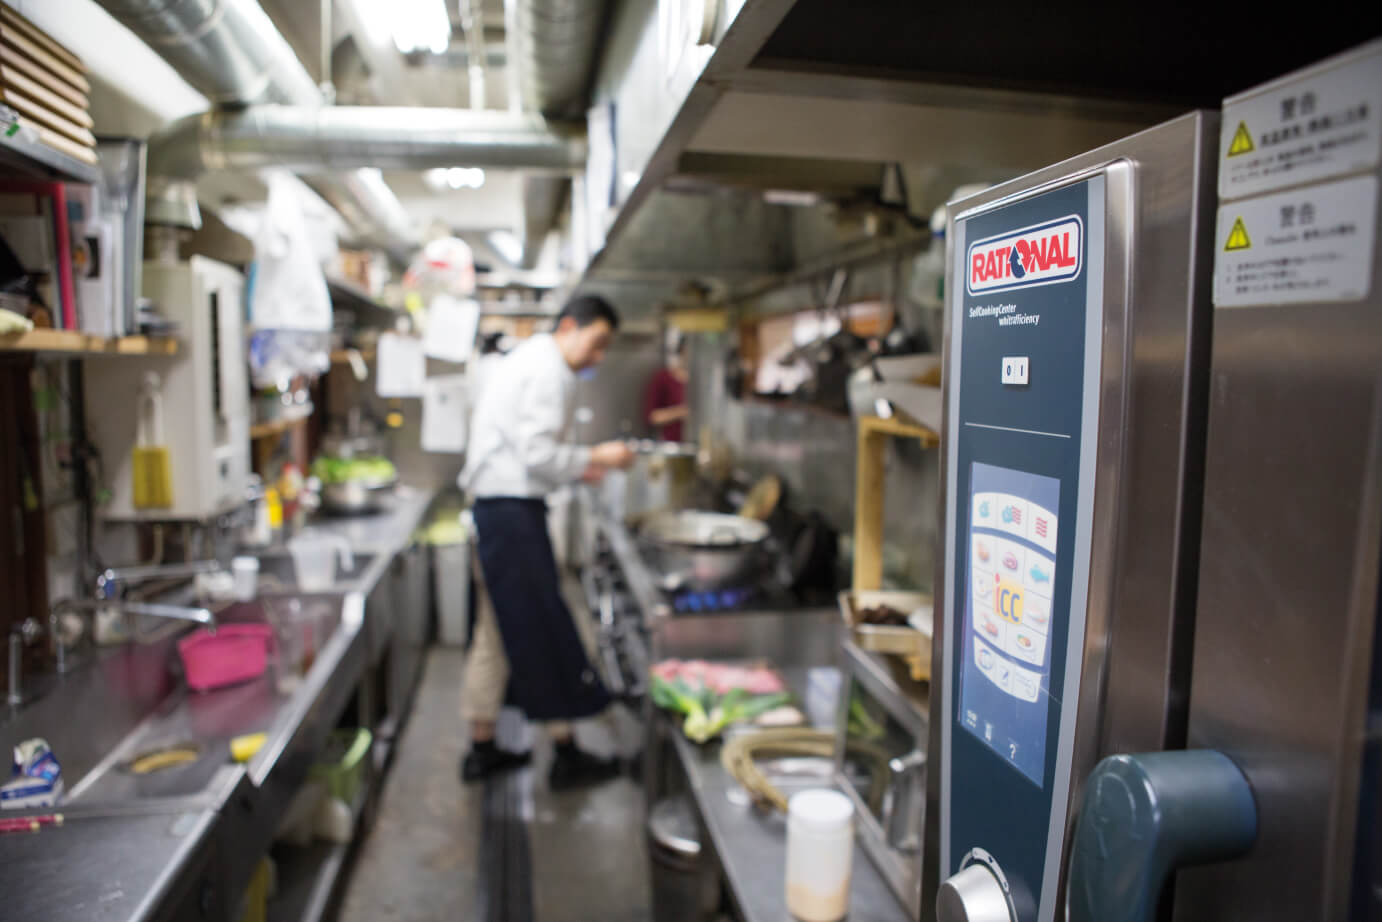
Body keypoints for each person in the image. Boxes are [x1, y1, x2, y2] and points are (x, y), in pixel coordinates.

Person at [458, 295, 635, 789]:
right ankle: (566, 753)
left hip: (495, 511)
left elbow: (532, 453)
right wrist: (595, 455)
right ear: (570, 327)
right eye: (597, 343)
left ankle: (482, 747)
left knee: (495, 631)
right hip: (511, 515)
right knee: (548, 627)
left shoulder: (531, 361)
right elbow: (537, 454)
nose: (597, 358)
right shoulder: (548, 370)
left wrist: (583, 467)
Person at [643, 334, 689, 442]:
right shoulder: (663, 378)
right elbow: (652, 416)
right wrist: (680, 412)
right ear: (681, 351)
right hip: (670, 444)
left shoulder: (700, 381)